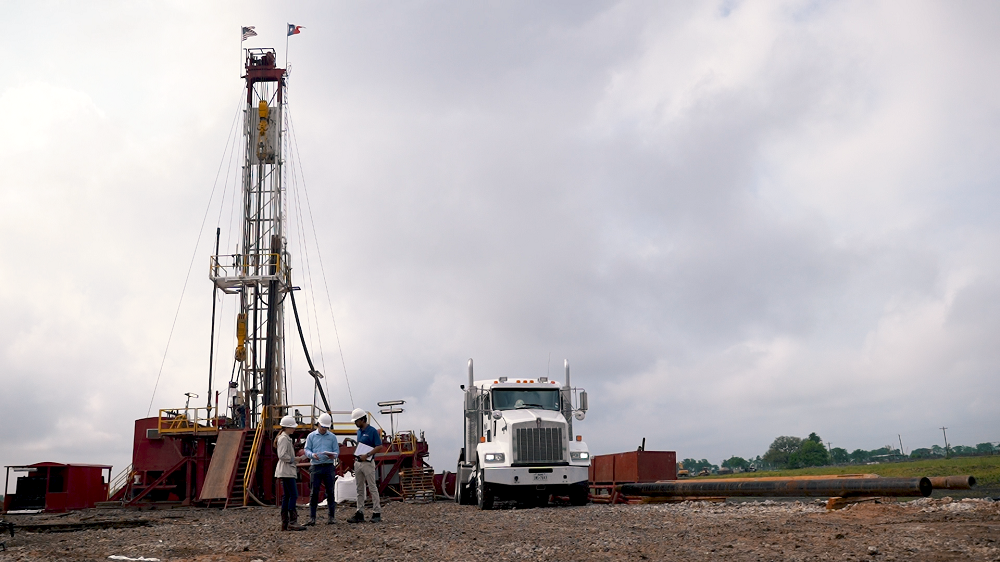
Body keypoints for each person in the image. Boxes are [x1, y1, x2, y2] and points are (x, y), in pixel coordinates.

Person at [348, 408, 385, 523]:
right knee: (359, 488)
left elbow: (379, 446)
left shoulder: (372, 431)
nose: (355, 423)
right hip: (358, 462)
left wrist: (368, 454)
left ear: (362, 419)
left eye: (356, 421)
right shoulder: (359, 432)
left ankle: (376, 512)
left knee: (372, 487)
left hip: (368, 463)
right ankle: (360, 512)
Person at [303, 412, 339, 525]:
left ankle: (331, 517)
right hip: (316, 466)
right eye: (323, 427)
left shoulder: (332, 437)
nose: (324, 429)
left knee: (330, 492)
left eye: (326, 427)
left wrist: (333, 455)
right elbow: (307, 449)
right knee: (314, 492)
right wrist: (312, 455)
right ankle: (312, 518)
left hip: (328, 466)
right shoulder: (311, 436)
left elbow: (337, 452)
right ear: (318, 424)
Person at [275, 415, 307, 531]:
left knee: (287, 496)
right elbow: (282, 455)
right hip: (286, 470)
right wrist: (295, 459)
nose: (294, 429)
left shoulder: (284, 438)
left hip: (285, 470)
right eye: (292, 427)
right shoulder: (284, 439)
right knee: (293, 495)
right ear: (287, 427)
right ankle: (292, 522)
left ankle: (285, 522)